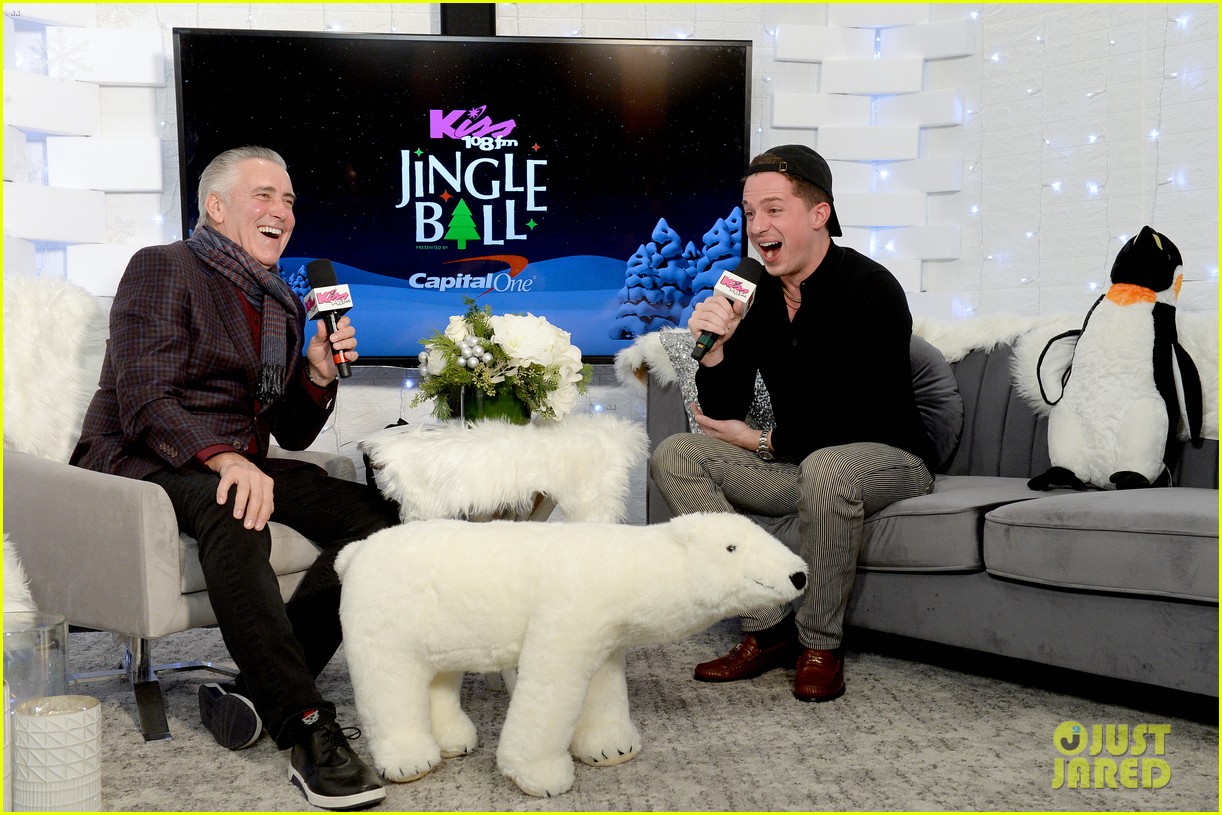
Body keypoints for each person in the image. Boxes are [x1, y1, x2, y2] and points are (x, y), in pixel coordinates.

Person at [71, 146, 401, 810]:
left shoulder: (280, 299)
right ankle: (307, 729)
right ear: (216, 207)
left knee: (383, 522)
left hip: (237, 459)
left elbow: (293, 430)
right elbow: (145, 399)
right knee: (236, 506)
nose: (282, 211)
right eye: (264, 196)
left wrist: (315, 374)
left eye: (289, 201)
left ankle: (259, 686)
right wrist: (226, 458)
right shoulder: (163, 267)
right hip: (141, 461)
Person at [650, 145, 937, 703]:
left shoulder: (871, 289)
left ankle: (820, 644)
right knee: (675, 454)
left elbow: (864, 413)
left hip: (890, 458)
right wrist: (714, 352)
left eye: (773, 209)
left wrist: (766, 440)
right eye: (750, 213)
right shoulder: (756, 298)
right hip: (798, 464)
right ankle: (769, 629)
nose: (758, 226)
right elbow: (724, 408)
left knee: (828, 467)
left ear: (818, 213)